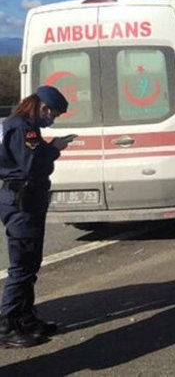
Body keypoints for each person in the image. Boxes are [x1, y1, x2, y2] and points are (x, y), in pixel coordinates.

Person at [0, 85, 72, 347]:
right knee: (21, 266)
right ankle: (7, 324)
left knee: (30, 264)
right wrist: (54, 148)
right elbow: (33, 166)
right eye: (54, 114)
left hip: (26, 201)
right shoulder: (24, 128)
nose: (53, 119)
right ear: (44, 107)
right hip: (22, 203)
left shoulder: (25, 125)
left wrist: (50, 148)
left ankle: (25, 317)